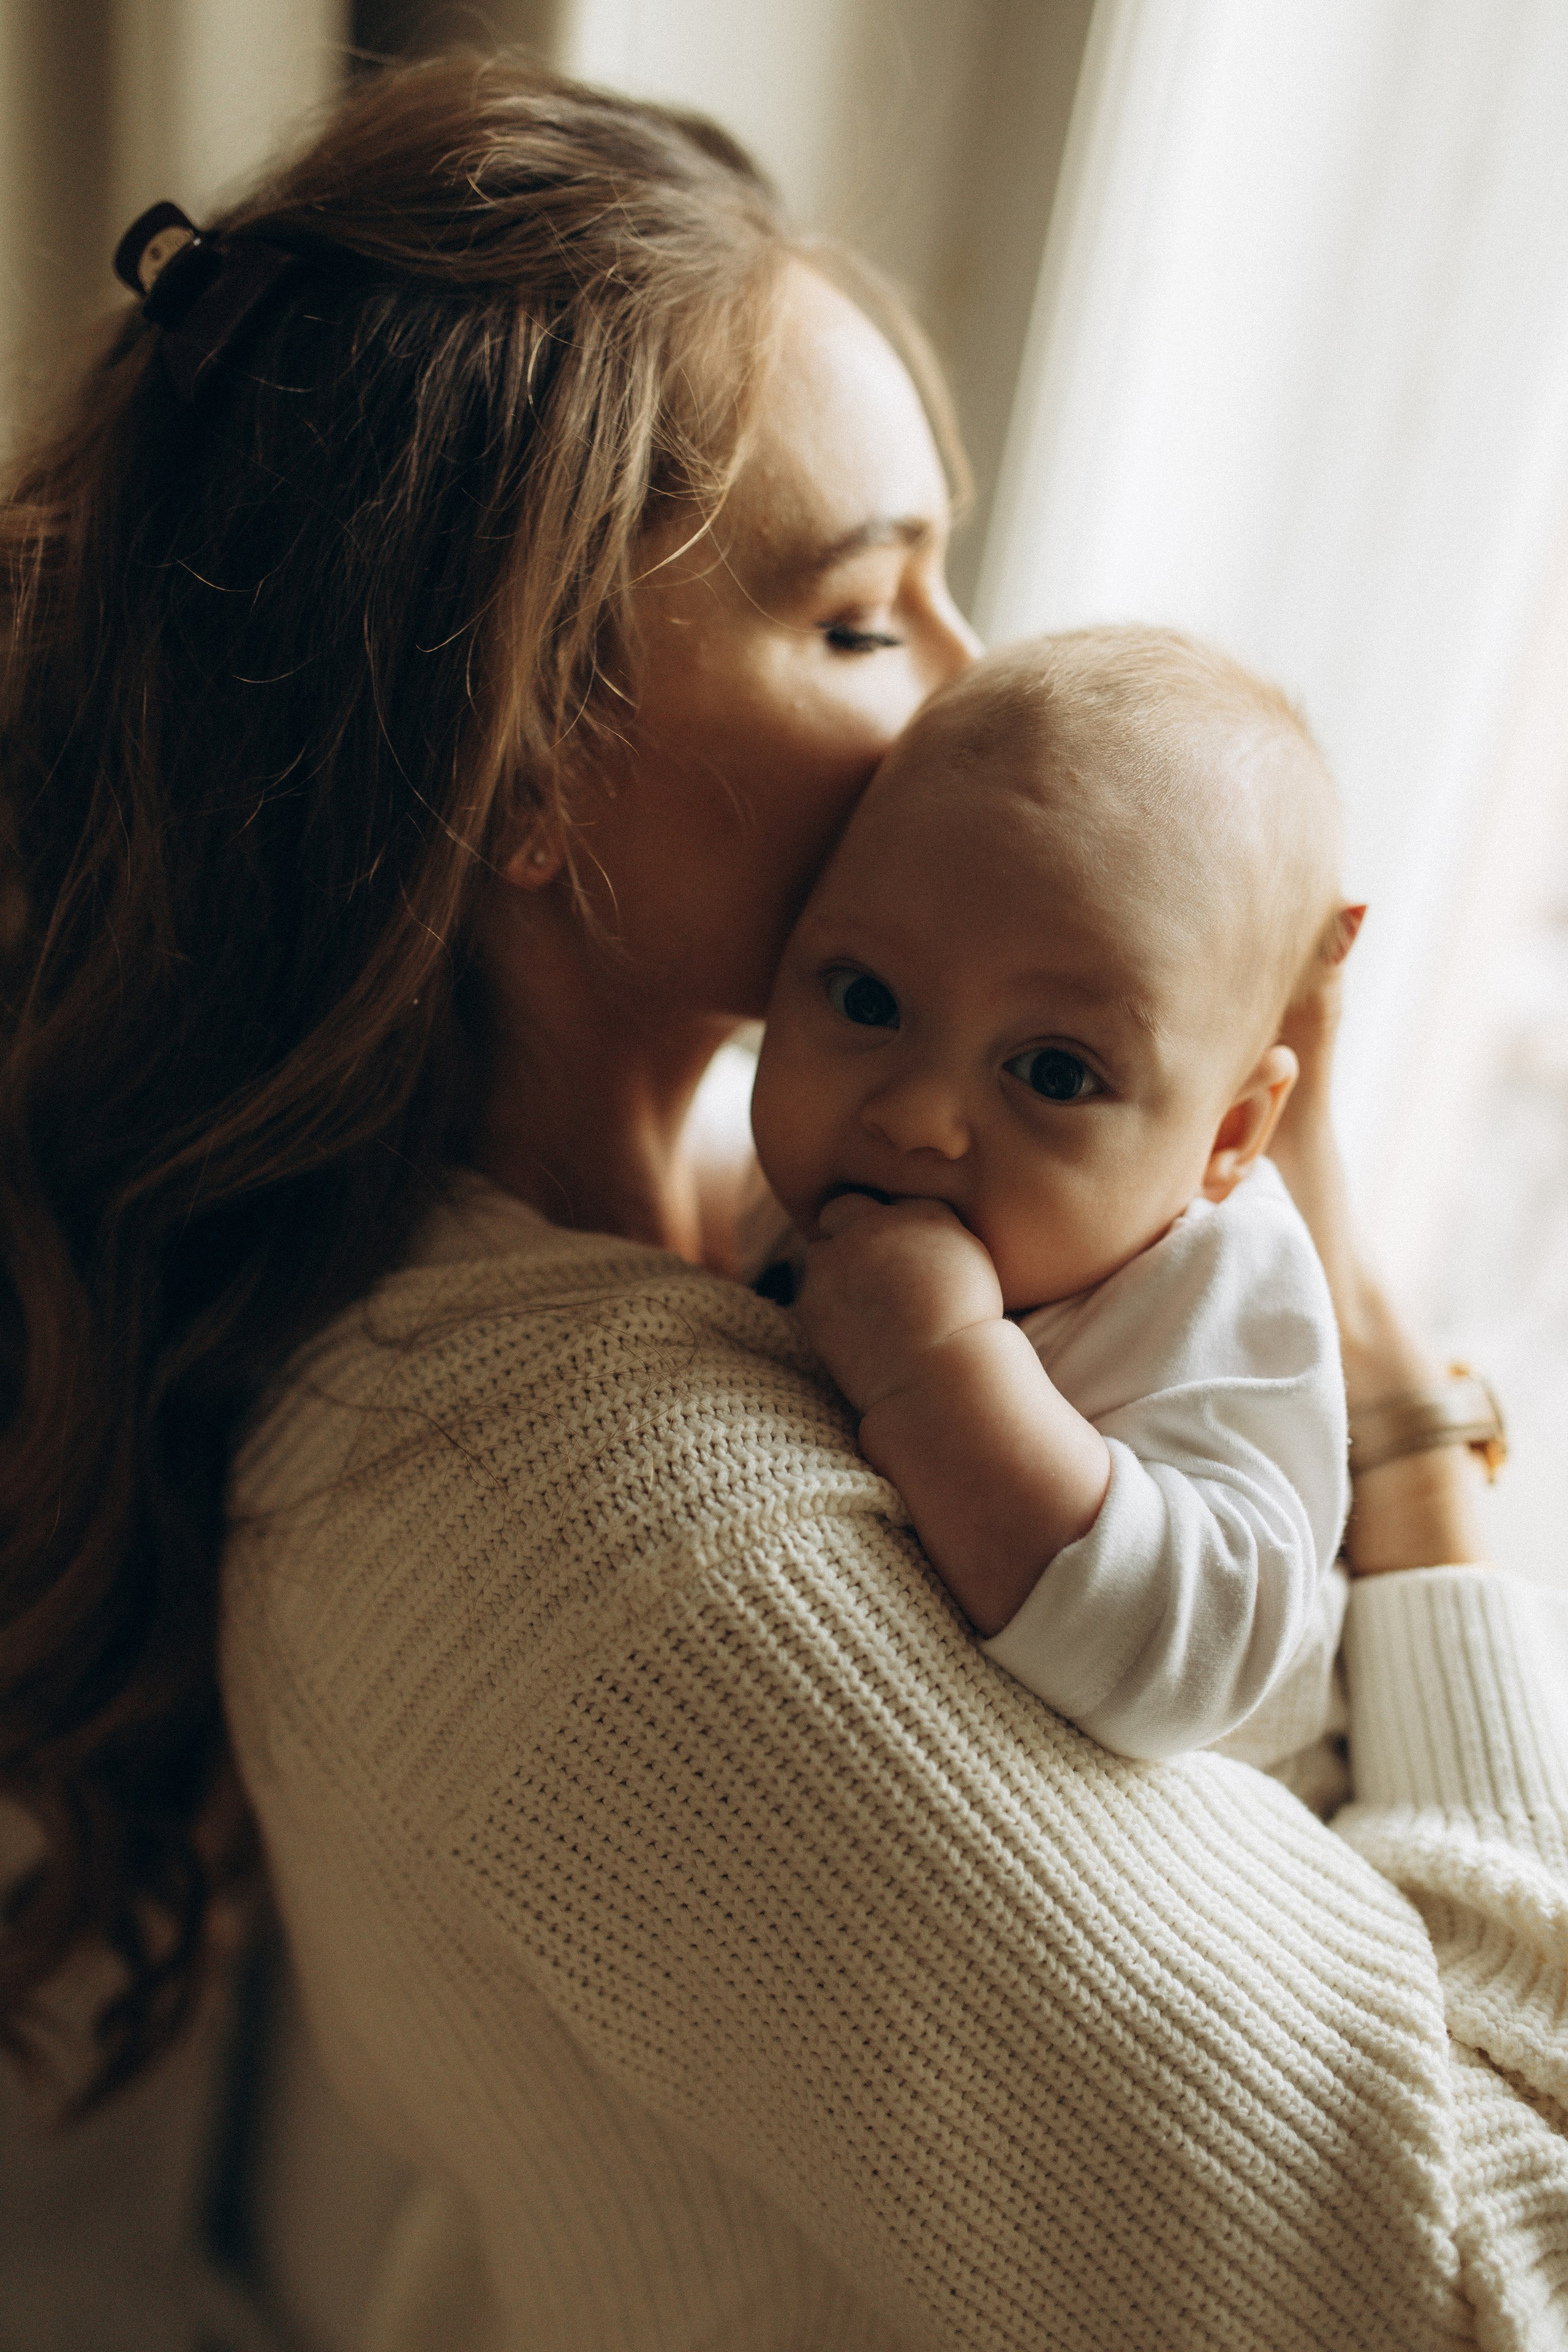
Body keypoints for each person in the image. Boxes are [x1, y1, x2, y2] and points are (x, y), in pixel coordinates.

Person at [1, 48, 1562, 2352]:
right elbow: (1498, 2280)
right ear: (524, 766)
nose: (970, 695)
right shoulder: (632, 1525)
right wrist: (1401, 1428)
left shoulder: (686, 1250)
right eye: (858, 618)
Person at [752, 627, 1353, 1768]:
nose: (918, 1116)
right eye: (867, 999)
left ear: (1226, 1139)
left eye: (1056, 1073)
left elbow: (1205, 1661)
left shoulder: (1219, 1292)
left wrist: (945, 1370)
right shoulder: (811, 1191)